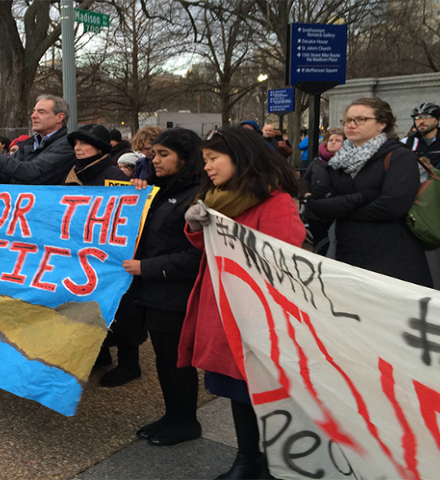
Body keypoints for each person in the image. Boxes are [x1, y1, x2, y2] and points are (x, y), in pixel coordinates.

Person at [180, 126, 305, 478]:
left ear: (240, 158)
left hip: (252, 314)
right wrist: (195, 228)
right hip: (222, 307)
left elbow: (284, 260)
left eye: (214, 159)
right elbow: (207, 247)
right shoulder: (218, 198)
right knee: (236, 391)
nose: (207, 167)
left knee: (254, 390)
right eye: (205, 160)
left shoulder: (275, 201)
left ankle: (260, 462)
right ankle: (248, 458)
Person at [125, 128, 204, 445]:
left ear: (185, 158)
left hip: (175, 291)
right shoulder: (161, 189)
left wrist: (147, 268)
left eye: (163, 155)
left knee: (177, 360)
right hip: (154, 291)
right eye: (152, 154)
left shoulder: (198, 196)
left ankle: (186, 420)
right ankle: (172, 415)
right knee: (162, 357)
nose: (153, 159)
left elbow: (196, 254)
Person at [308, 97, 432, 287]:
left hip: (392, 257)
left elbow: (392, 205)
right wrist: (363, 197)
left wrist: (342, 210)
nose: (351, 125)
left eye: (360, 119)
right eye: (347, 120)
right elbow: (317, 205)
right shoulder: (338, 161)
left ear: (382, 124)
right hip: (347, 252)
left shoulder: (399, 156)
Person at [0, 95, 75, 185]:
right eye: (33, 112)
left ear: (59, 117)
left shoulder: (67, 145)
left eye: (41, 112)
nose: (33, 116)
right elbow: (9, 177)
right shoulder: (28, 145)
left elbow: (34, 172)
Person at [301, 128, 345, 253]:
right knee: (319, 244)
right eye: (330, 140)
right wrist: (305, 193)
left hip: (338, 210)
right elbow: (305, 181)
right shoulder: (316, 162)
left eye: (338, 140)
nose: (333, 142)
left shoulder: (350, 162)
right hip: (315, 211)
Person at [401, 103, 440, 168]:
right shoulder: (407, 142)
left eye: (426, 117)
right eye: (418, 117)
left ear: (437, 120)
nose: (421, 121)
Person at [64, 124, 129, 185]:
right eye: (75, 143)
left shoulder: (115, 177)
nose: (76, 148)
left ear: (100, 148)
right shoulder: (67, 171)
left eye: (83, 143)